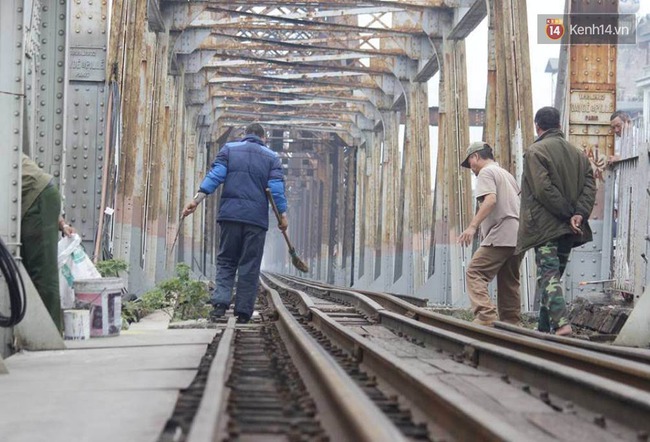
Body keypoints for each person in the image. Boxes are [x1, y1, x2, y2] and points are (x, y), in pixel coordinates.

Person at [182, 123, 288, 324]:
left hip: (230, 216)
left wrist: (195, 200)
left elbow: (215, 176)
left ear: (245, 135)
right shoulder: (272, 158)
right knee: (249, 265)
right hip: (256, 221)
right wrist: (283, 215)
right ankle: (243, 312)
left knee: (227, 260)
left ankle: (220, 305)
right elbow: (276, 190)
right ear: (263, 138)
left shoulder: (229, 150)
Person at [516, 107, 596, 336]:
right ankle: (543, 328)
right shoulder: (578, 154)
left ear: (537, 126)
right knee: (552, 276)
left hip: (547, 227)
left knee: (548, 275)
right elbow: (590, 186)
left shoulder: (535, 152)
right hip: (570, 228)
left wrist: (567, 213)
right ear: (559, 125)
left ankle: (561, 324)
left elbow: (543, 190)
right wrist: (578, 214)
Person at [458, 142, 522, 326]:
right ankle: (511, 323)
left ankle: (486, 316)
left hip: (501, 232)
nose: (471, 169)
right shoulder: (506, 174)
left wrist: (472, 226)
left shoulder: (486, 172)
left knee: (475, 272)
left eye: (470, 163)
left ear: (476, 157)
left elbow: (490, 200)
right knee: (509, 281)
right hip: (517, 234)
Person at [21, 154, 76, 331]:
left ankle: (50, 334)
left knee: (43, 274)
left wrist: (57, 221)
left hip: (37, 200)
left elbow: (36, 185)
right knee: (25, 274)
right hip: (35, 200)